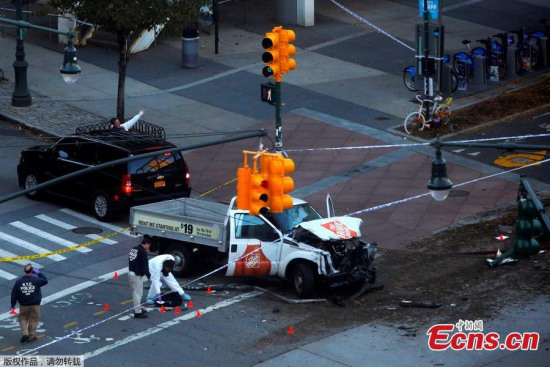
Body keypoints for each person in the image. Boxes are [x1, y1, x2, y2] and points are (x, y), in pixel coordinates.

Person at [10, 264, 48, 343]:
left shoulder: (19, 282)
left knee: (22, 318)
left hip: (23, 305)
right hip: (35, 305)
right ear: (32, 271)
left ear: (24, 271)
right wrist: (38, 273)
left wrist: (12, 306)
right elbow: (45, 280)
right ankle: (31, 336)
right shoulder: (35, 280)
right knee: (33, 319)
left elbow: (14, 295)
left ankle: (25, 333)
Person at [128, 235, 152, 319]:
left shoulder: (134, 249)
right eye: (149, 245)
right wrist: (149, 276)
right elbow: (145, 266)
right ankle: (137, 312)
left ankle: (137, 308)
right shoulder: (143, 252)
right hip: (136, 275)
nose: (149, 247)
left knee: (134, 292)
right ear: (145, 244)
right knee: (138, 294)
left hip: (131, 272)